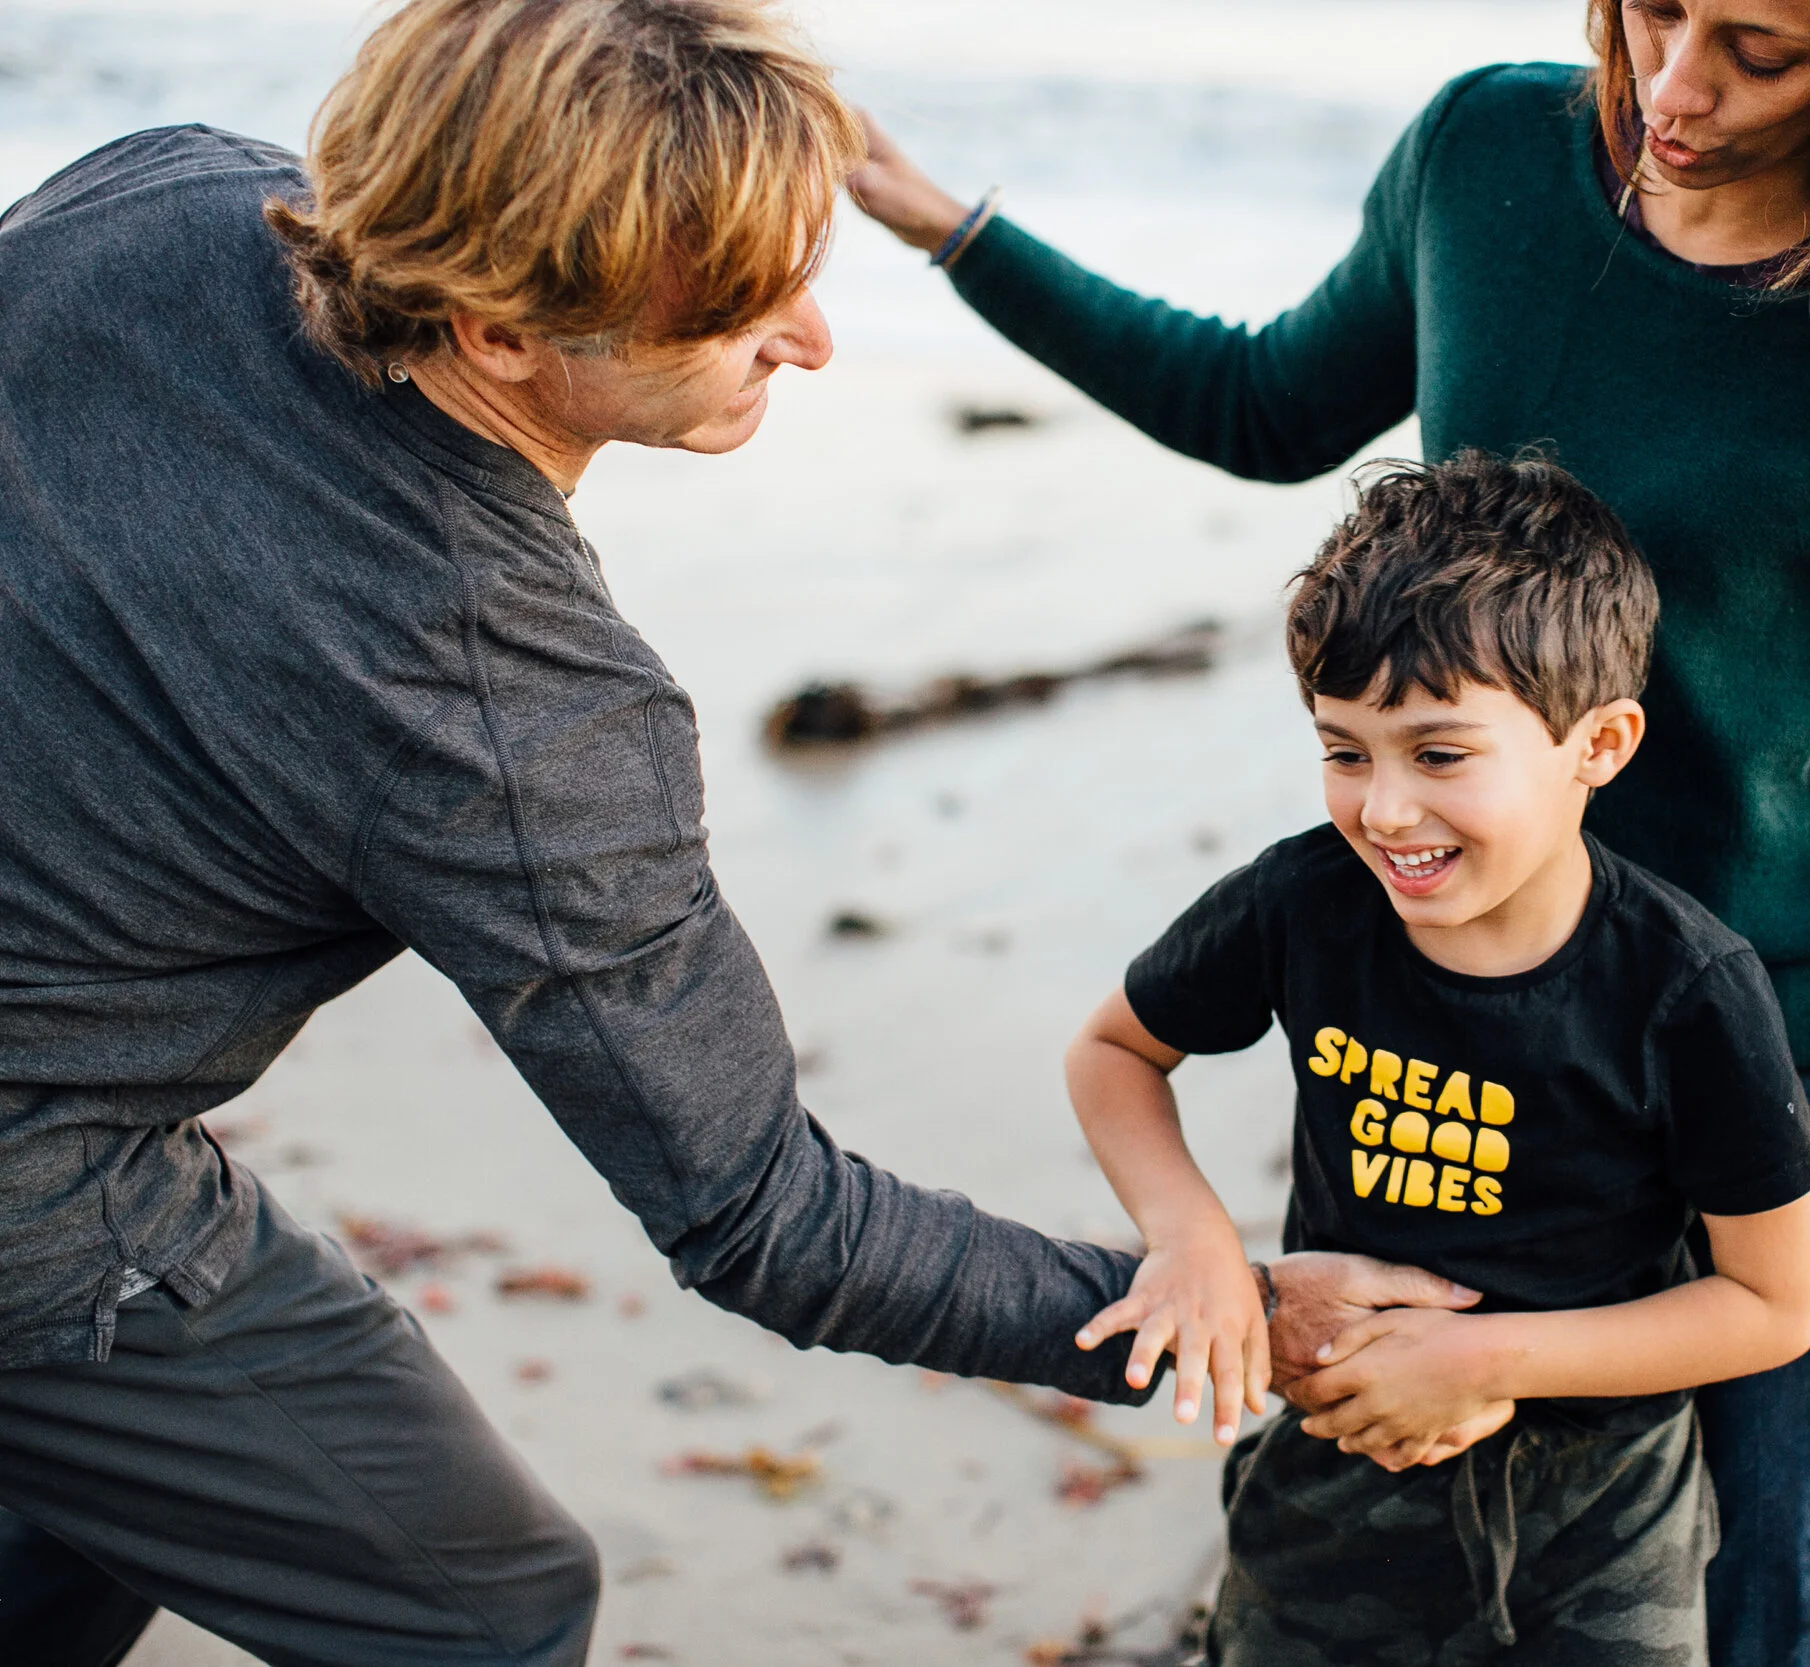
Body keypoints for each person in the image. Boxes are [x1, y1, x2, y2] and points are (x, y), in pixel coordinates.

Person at [846, 2, 1810, 1661]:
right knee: (1410, 1552)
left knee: (1729, 1604)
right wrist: (956, 230)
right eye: (1655, 12)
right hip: (1462, 1012)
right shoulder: (1488, 160)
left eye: (1759, 50)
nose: (1673, 88)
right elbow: (1258, 402)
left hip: (1783, 1053)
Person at [0, 2, 1474, 1662]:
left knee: (90, 1492)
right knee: (484, 1608)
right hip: (42, 1165)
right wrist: (1229, 1318)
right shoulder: (511, 698)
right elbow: (764, 1215)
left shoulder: (159, 197)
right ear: (498, 330)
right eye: (740, 305)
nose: (818, 336)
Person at [1065, 452, 1810, 1663]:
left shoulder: (1685, 986)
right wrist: (1195, 1240)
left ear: (1601, 743)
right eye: (1344, 749)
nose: (1382, 809)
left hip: (1604, 1518)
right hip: (1332, 1478)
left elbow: (1773, 1305)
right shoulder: (1301, 904)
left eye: (1439, 753)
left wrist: (1482, 1355)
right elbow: (1114, 1049)